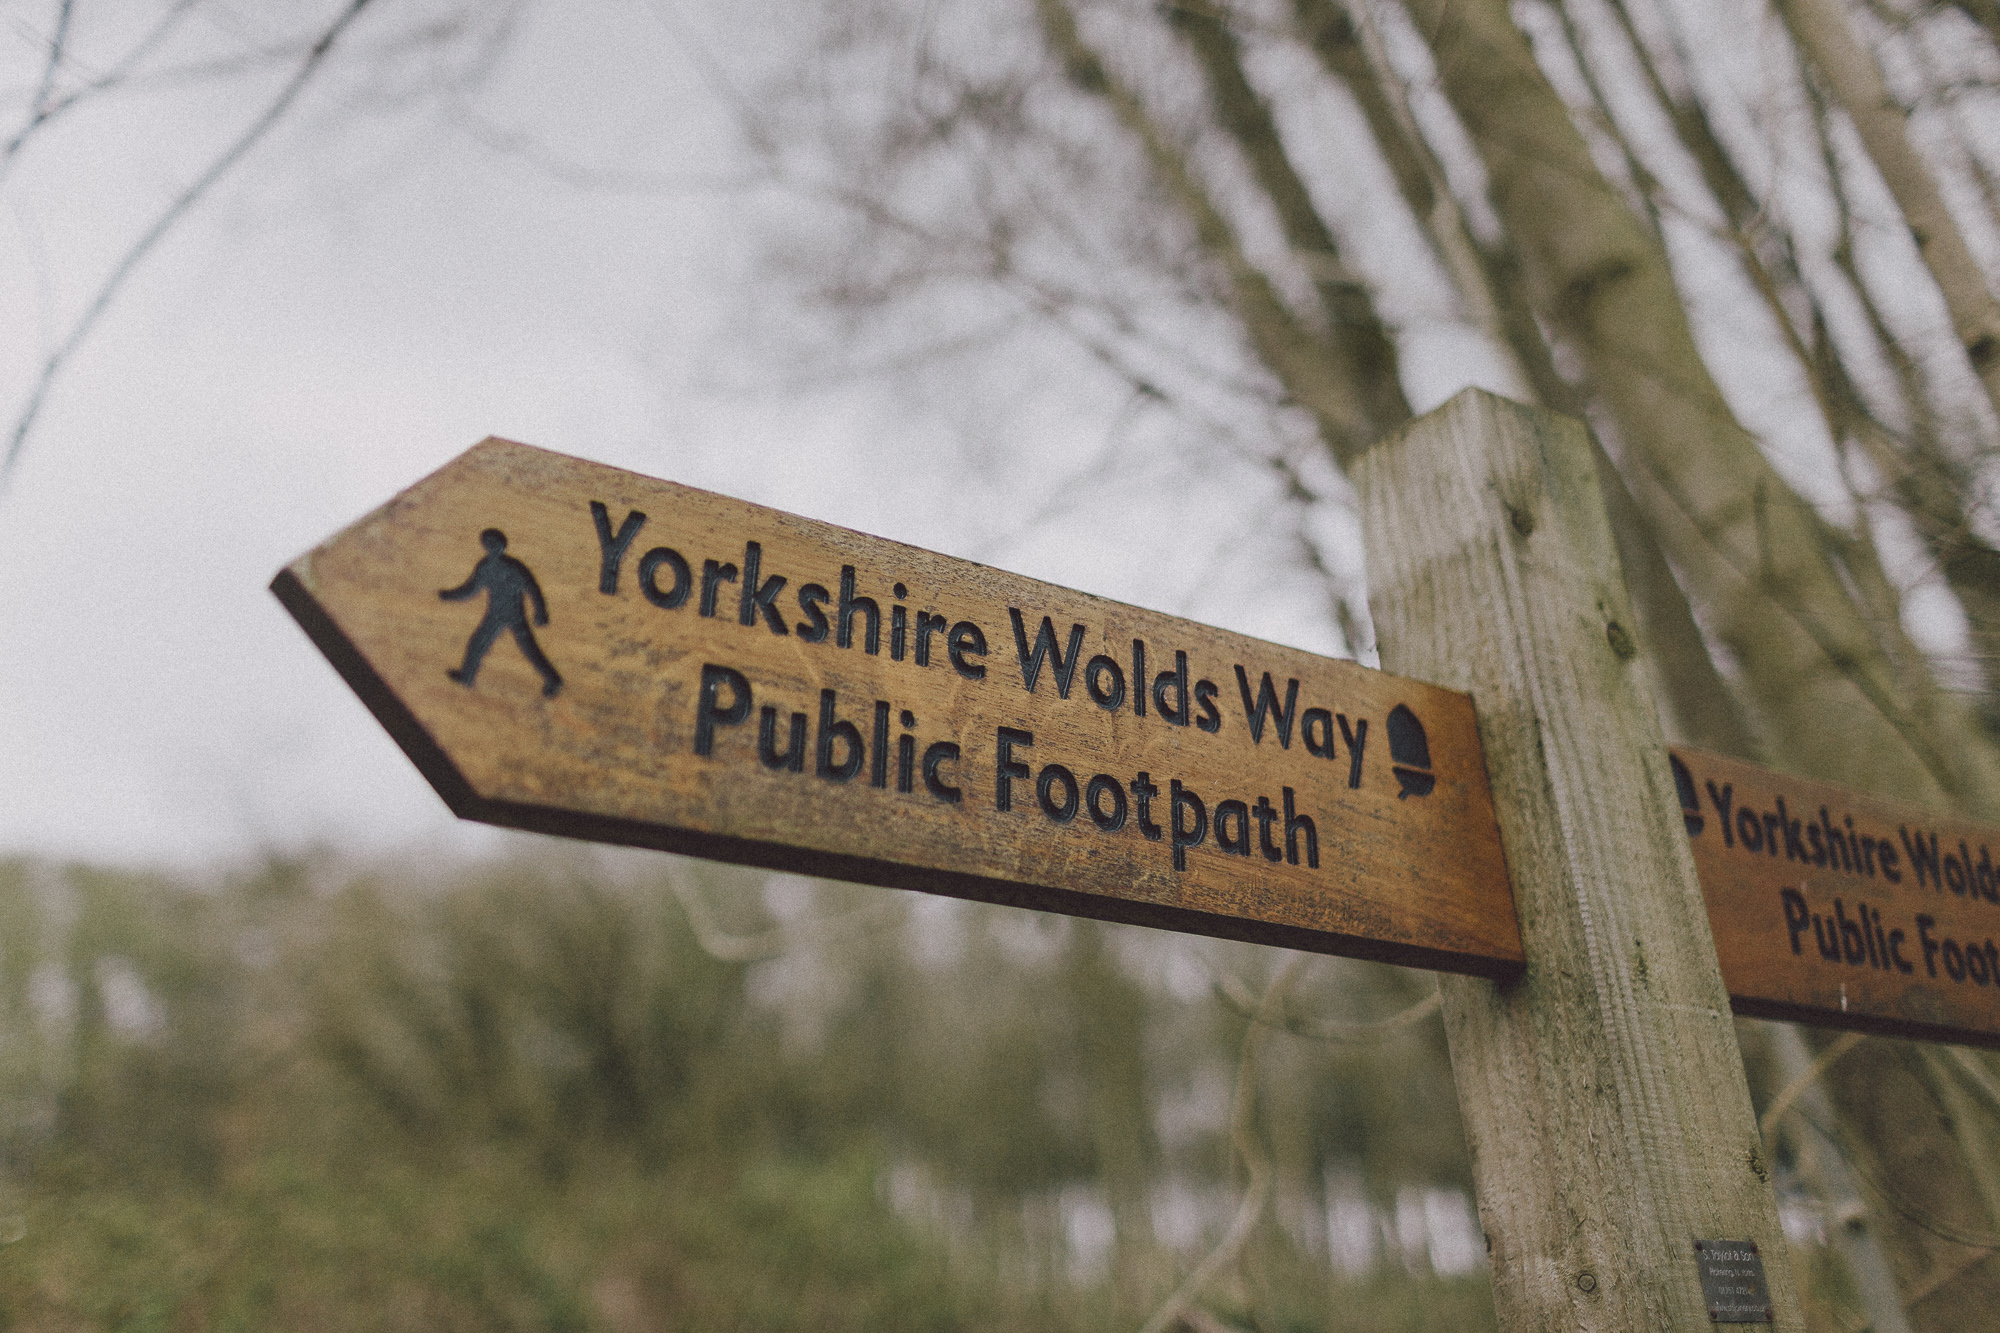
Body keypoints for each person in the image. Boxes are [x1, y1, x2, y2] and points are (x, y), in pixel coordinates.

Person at [439, 528, 563, 697]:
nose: (492, 546)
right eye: (488, 543)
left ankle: (553, 679)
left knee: (530, 650)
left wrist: (541, 612)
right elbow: (470, 589)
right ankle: (466, 676)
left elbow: (532, 589)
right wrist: (449, 595)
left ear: (501, 545)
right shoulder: (484, 567)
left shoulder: (514, 568)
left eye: (494, 543)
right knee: (477, 643)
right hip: (495, 614)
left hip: (514, 615)